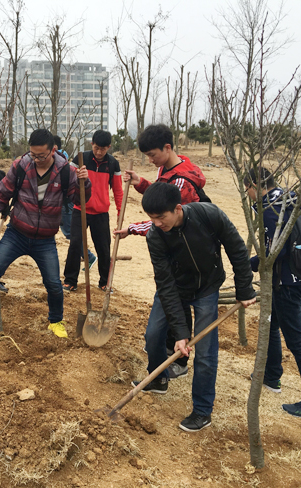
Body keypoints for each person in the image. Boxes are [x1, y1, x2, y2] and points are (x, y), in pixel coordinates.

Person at [132, 182, 256, 432]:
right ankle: (157, 380)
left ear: (178, 209)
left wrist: (244, 289)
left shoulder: (209, 214)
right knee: (153, 335)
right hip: (174, 288)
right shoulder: (156, 235)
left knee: (206, 352)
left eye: (160, 217)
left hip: (206, 288)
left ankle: (202, 410)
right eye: (151, 218)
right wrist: (180, 334)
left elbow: (237, 250)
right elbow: (165, 283)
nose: (156, 223)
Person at [0, 129, 91, 339]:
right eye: (33, 155)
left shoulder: (67, 171)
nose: (36, 160)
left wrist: (84, 182)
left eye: (41, 156)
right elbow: (0, 194)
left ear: (53, 150)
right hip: (16, 234)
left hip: (45, 239)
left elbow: (79, 200)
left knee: (53, 283)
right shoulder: (21, 165)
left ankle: (56, 321)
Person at [115, 124, 208, 380]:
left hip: (186, 255)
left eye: (153, 154)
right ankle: (164, 359)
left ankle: (177, 360)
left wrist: (132, 229)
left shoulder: (183, 181)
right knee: (170, 308)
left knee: (176, 306)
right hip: (171, 252)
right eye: (147, 155)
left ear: (168, 148)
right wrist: (142, 183)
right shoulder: (167, 168)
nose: (150, 159)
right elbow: (160, 195)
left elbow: (164, 222)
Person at [245, 167, 301, 420]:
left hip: (288, 282)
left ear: (255, 186)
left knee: (298, 341)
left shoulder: (270, 209)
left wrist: (250, 263)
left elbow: (273, 252)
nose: (247, 195)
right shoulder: (287, 197)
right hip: (300, 275)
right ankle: (271, 377)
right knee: (271, 324)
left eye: (247, 189)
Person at [63, 130, 123, 292]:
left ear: (108, 147)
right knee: (75, 244)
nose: (99, 152)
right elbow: (67, 180)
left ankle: (105, 282)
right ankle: (70, 280)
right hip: (80, 209)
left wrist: (120, 212)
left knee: (103, 248)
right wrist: (76, 176)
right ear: (92, 144)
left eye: (103, 149)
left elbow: (118, 191)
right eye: (96, 148)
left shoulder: (113, 164)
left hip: (101, 213)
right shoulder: (81, 159)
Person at [56, 135, 97, 270]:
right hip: (62, 204)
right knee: (67, 232)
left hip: (67, 204)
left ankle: (88, 256)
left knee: (70, 233)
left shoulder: (62, 163)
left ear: (54, 147)